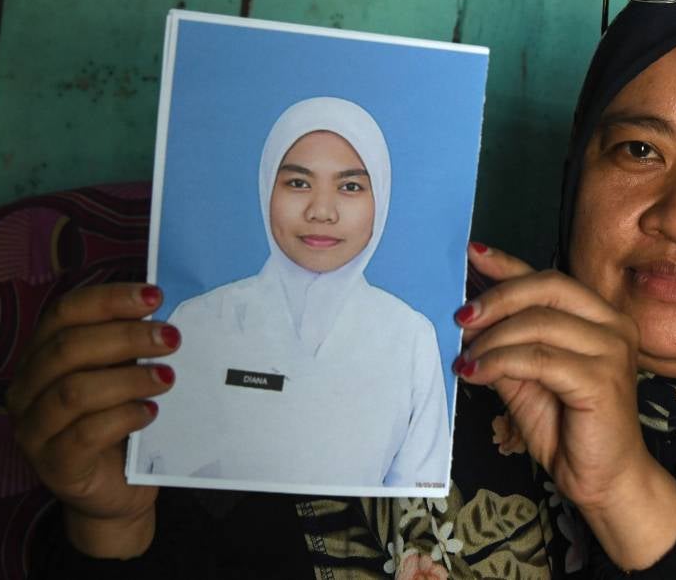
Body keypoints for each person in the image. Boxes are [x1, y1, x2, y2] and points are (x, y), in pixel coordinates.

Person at [10, 0, 676, 578]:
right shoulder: (410, 371)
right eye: (637, 150)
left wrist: (623, 488)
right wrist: (114, 531)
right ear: (575, 178)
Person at [134, 96, 451, 489]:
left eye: (350, 186)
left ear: (380, 199)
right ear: (268, 187)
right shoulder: (197, 321)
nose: (321, 211)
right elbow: (146, 475)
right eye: (298, 183)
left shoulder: (410, 337)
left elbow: (418, 503)